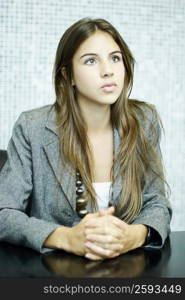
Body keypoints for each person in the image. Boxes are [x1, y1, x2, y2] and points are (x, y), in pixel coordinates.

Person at [0, 17, 172, 261]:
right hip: (52, 273)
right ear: (67, 74)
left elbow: (156, 202)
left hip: (126, 271)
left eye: (115, 57)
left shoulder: (143, 121)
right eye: (91, 61)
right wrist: (65, 238)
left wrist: (132, 236)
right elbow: (4, 212)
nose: (108, 70)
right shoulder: (32, 127)